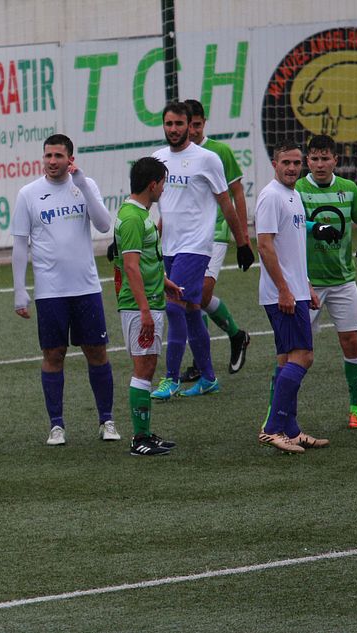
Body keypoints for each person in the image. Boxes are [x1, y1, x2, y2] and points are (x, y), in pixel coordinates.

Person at [12, 133, 119, 446]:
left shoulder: (85, 185)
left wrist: (83, 185)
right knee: (53, 354)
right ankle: (56, 425)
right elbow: (20, 245)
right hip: (50, 292)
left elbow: (104, 225)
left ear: (70, 158)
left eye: (59, 156)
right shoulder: (29, 193)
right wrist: (20, 290)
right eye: (48, 155)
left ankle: (107, 420)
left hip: (86, 287)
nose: (52, 161)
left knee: (96, 352)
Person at [151, 101, 254, 400]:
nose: (174, 130)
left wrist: (243, 242)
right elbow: (165, 207)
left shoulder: (207, 159)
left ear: (190, 125)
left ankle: (170, 379)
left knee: (174, 305)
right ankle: (208, 378)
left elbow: (226, 202)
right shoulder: (157, 158)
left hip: (196, 247)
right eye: (168, 124)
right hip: (169, 246)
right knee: (194, 308)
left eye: (179, 124)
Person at [295, 134, 357, 429]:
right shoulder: (298, 190)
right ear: (307, 161)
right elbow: (292, 221)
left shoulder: (349, 189)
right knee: (299, 350)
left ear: (335, 160)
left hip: (343, 280)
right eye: (314, 159)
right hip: (307, 283)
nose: (319, 164)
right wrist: (316, 226)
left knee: (351, 341)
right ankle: (281, 411)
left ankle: (356, 409)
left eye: (325, 158)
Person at [255, 142, 329, 453]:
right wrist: (286, 290)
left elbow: (292, 249)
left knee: (287, 360)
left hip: (295, 290)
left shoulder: (294, 195)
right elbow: (265, 246)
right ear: (274, 164)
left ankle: (292, 430)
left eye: (297, 163)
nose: (292, 168)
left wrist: (306, 285)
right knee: (304, 357)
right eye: (286, 162)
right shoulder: (271, 196)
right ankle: (272, 429)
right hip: (282, 294)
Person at [178, 99, 251, 382]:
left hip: (217, 232)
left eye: (197, 124)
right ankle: (207, 357)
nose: (193, 130)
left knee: (200, 296)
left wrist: (243, 237)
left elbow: (237, 193)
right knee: (189, 300)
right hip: (186, 237)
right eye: (189, 125)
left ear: (203, 123)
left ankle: (234, 337)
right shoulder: (177, 155)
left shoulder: (218, 152)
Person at [113, 157, 181, 456]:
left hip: (152, 301)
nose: (164, 189)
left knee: (148, 366)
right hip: (141, 306)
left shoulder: (138, 215)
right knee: (143, 369)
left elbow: (146, 261)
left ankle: (146, 434)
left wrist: (164, 282)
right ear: (152, 185)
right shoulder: (132, 218)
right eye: (163, 183)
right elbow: (130, 267)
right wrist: (143, 309)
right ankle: (139, 439)